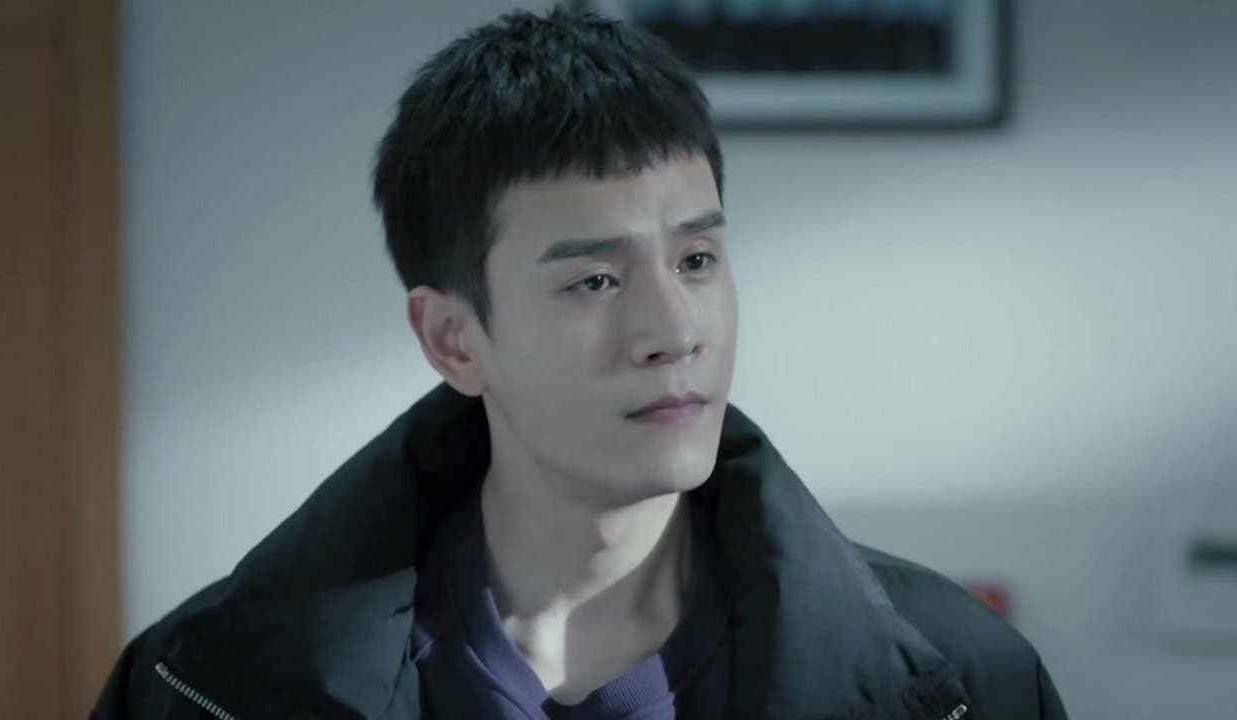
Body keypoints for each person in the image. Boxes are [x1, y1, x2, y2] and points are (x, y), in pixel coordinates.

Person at [92, 8, 1066, 719]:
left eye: (696, 261)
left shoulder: (963, 679)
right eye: (594, 280)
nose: (671, 329)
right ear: (452, 340)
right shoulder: (201, 686)